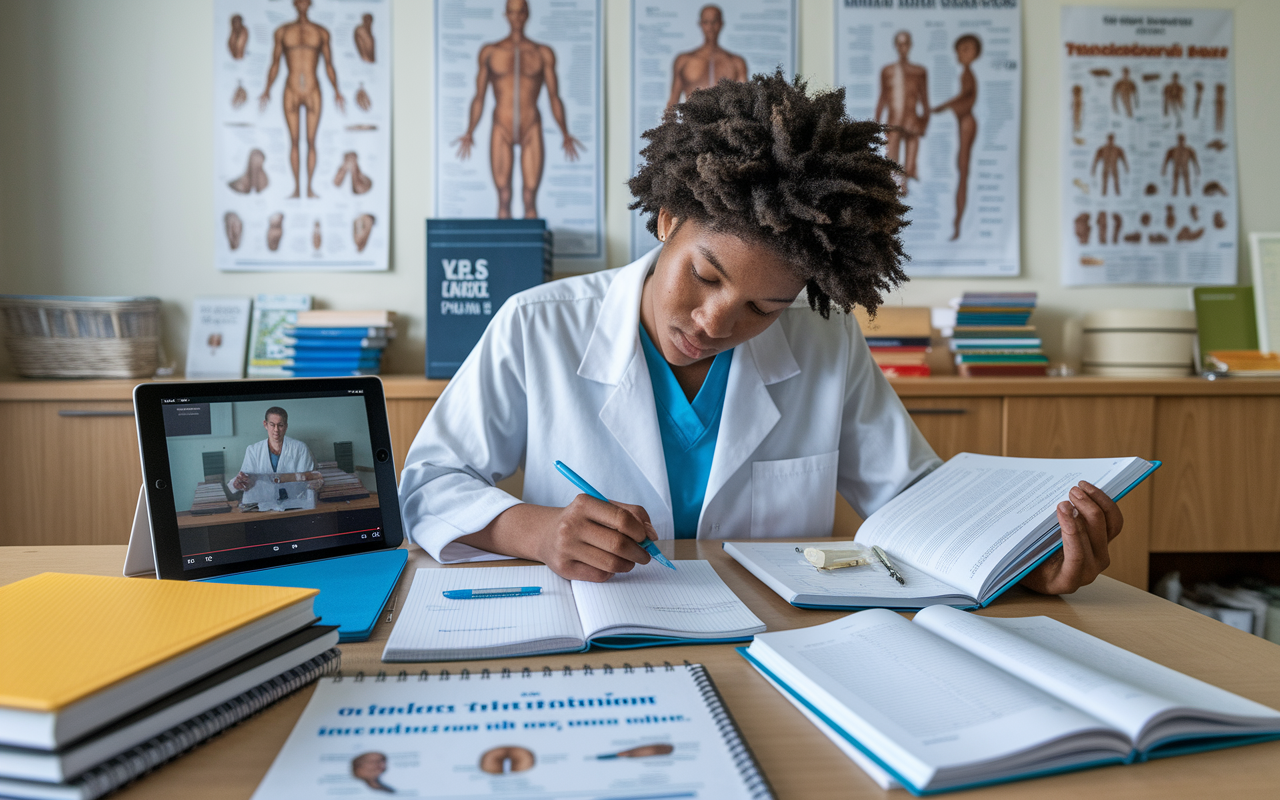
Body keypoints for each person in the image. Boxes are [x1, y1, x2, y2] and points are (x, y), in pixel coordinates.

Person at [399, 72, 1123, 596]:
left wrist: (1025, 565)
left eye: (764, 308)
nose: (718, 323)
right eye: (706, 277)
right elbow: (428, 485)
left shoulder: (825, 344)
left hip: (771, 641)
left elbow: (913, 504)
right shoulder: (537, 324)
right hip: (597, 637)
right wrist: (534, 530)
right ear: (667, 220)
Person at [454, 0, 582, 219]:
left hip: (531, 125)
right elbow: (479, 97)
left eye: (521, 12)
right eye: (512, 12)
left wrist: (565, 132)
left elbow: (554, 97)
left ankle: (529, 252)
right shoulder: (490, 52)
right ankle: (503, 252)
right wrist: (469, 131)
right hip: (500, 126)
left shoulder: (542, 53)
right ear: (506, 14)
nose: (517, 17)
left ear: (527, 14)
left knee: (529, 197)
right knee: (503, 196)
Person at [259, 0, 345, 199]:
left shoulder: (321, 32)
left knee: (312, 141)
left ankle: (309, 188)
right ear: (295, 4)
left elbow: (329, 65)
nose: (302, 3)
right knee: (294, 141)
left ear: (309, 4)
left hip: (313, 89)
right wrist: (267, 89)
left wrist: (337, 91)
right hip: (291, 89)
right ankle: (297, 188)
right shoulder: (282, 31)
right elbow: (275, 63)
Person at [932, 33, 981, 241]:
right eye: (959, 49)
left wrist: (943, 106)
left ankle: (958, 223)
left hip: (967, 123)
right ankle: (957, 222)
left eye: (966, 49)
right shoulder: (966, 73)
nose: (961, 54)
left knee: (963, 173)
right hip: (964, 122)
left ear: (975, 53)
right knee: (961, 171)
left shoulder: (968, 75)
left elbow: (965, 97)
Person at [874, 30, 929, 196]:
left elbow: (925, 100)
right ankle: (898, 193)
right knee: (892, 164)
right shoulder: (888, 71)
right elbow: (883, 98)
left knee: (910, 165)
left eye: (905, 43)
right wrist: (876, 125)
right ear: (896, 46)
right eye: (900, 43)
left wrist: (924, 122)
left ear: (910, 45)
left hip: (912, 121)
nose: (903, 47)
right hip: (893, 122)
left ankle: (905, 192)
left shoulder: (919, 72)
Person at [666, 5, 748, 108]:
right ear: (700, 24)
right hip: (692, 122)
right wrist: (667, 123)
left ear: (721, 24)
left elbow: (745, 103)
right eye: (706, 22)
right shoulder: (683, 61)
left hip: (725, 122)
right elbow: (673, 102)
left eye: (714, 22)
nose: (710, 28)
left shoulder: (736, 63)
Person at [229, 407, 316, 491]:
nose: (276, 430)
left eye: (280, 425)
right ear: (265, 424)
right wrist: (239, 482)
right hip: (263, 502)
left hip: (296, 501)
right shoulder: (253, 450)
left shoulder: (300, 448)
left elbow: (309, 478)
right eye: (272, 425)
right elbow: (245, 478)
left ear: (286, 426)